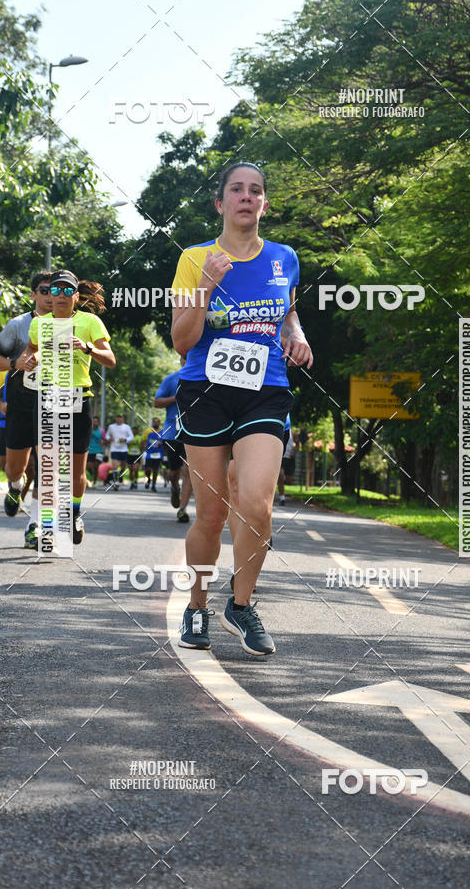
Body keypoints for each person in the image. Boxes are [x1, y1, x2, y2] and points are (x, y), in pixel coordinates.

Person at [171, 161, 313, 656]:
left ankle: (242, 603)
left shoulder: (285, 258)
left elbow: (288, 310)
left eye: (256, 190)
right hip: (206, 391)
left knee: (256, 502)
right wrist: (208, 284)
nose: (246, 197)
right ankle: (196, 607)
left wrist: (296, 336)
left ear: (265, 204)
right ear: (221, 203)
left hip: (266, 390)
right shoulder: (194, 259)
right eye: (237, 189)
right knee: (210, 515)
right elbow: (181, 342)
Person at [23, 270, 115, 545]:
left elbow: (109, 360)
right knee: (49, 468)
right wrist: (30, 359)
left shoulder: (89, 321)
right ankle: (48, 529)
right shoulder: (39, 323)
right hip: (48, 398)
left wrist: (87, 347)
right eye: (55, 290)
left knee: (77, 473)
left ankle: (73, 513)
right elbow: (31, 349)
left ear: (76, 295)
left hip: (79, 399)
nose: (60, 296)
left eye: (66, 291)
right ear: (49, 295)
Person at [0, 271, 53, 548]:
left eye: (57, 291)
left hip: (55, 404)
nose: (51, 296)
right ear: (33, 294)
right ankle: (15, 486)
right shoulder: (17, 325)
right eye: (44, 290)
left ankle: (34, 526)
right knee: (16, 469)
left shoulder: (72, 325)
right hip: (21, 405)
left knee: (47, 468)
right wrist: (15, 364)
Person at [154, 359, 192, 521]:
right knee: (174, 473)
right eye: (185, 357)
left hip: (194, 430)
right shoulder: (171, 379)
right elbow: (157, 402)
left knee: (188, 470)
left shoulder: (205, 377)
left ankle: (182, 509)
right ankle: (175, 488)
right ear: (182, 360)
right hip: (172, 432)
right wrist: (176, 398)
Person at [105, 414, 133, 490]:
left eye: (120, 417)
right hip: (114, 449)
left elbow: (131, 437)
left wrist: (125, 439)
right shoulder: (111, 427)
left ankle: (120, 474)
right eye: (117, 417)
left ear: (122, 418)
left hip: (124, 449)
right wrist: (109, 438)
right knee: (115, 466)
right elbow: (107, 435)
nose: (119, 419)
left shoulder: (127, 427)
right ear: (115, 418)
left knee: (123, 467)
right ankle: (116, 482)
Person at [277, 415, 297, 505]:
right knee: (281, 476)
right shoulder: (278, 430)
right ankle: (282, 498)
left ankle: (279, 482)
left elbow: (298, 444)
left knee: (288, 480)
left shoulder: (293, 433)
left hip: (289, 458)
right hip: (281, 457)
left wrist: (294, 452)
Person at [141, 417, 164, 493]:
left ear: (159, 423)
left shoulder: (162, 432)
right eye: (154, 422)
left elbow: (165, 442)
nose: (156, 423)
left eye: (157, 422)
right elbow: (143, 441)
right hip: (149, 453)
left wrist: (162, 443)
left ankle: (153, 485)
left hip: (158, 454)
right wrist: (144, 447)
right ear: (152, 423)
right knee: (147, 469)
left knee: (155, 470)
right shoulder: (148, 431)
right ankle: (148, 479)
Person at [87, 415, 105, 486]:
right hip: (90, 450)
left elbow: (105, 440)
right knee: (89, 466)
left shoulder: (101, 431)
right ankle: (91, 475)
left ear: (99, 422)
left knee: (96, 466)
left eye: (96, 421)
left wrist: (103, 441)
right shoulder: (89, 430)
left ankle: (94, 482)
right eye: (94, 421)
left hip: (99, 451)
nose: (95, 423)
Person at [128, 425, 142, 489]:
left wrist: (140, 445)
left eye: (135, 430)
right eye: (133, 429)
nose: (134, 431)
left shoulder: (139, 437)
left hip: (137, 455)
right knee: (130, 470)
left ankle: (135, 481)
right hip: (129, 454)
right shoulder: (128, 437)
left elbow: (142, 446)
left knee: (136, 469)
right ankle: (131, 482)